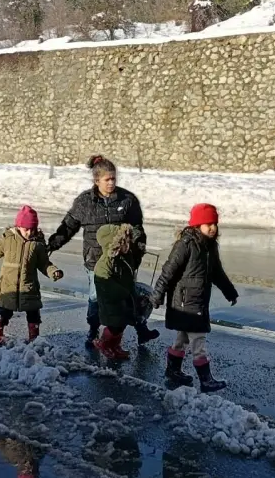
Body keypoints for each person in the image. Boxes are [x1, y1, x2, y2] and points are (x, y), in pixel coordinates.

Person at [47, 156, 159, 348]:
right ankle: (93, 330)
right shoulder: (84, 202)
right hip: (96, 260)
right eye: (107, 179)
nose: (111, 183)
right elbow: (68, 227)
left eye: (114, 178)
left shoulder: (127, 200)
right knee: (96, 298)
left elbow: (137, 229)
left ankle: (141, 329)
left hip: (122, 260)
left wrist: (137, 251)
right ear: (96, 180)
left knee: (129, 295)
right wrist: (52, 245)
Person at [152, 203, 238, 393]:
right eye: (208, 224)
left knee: (183, 337)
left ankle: (173, 370)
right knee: (198, 339)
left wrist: (229, 291)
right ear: (197, 225)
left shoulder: (210, 246)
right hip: (185, 302)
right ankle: (206, 380)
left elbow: (217, 273)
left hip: (198, 300)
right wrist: (157, 295)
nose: (213, 228)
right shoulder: (186, 244)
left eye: (215, 224)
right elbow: (168, 271)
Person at [0, 205, 64, 345]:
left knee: (33, 314)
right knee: (4, 312)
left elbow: (44, 264)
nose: (29, 232)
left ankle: (34, 337)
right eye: (26, 229)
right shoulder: (8, 240)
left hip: (29, 287)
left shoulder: (37, 244)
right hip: (9, 286)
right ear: (18, 226)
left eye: (33, 229)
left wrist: (53, 271)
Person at [93, 222, 144, 361]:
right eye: (123, 242)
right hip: (111, 303)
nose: (127, 245)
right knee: (114, 326)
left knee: (122, 325)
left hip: (123, 298)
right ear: (114, 244)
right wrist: (122, 292)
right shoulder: (105, 263)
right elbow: (104, 283)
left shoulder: (124, 257)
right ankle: (103, 343)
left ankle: (115, 346)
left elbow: (130, 271)